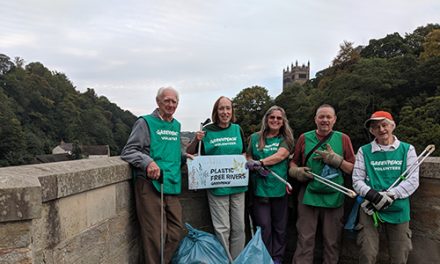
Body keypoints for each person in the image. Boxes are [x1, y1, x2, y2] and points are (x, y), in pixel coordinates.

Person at [121, 87, 187, 264]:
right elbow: (129, 151)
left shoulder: (176, 125)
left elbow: (172, 153)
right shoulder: (145, 122)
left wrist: (185, 156)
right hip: (149, 184)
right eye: (167, 100)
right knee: (154, 236)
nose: (171, 104)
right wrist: (147, 162)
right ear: (158, 102)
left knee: (175, 231)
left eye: (174, 101)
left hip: (171, 182)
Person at [288, 104, 355, 264]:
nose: (325, 120)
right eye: (321, 117)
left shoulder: (343, 138)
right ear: (315, 119)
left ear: (334, 120)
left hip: (334, 195)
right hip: (309, 194)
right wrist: (297, 172)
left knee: (332, 241)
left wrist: (337, 161)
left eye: (328, 117)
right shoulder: (305, 138)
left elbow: (352, 168)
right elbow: (293, 163)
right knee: (305, 239)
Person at [352, 111, 419, 264]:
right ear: (372, 131)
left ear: (392, 126)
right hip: (370, 207)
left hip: (398, 208)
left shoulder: (407, 149)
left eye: (384, 125)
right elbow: (357, 180)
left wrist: (392, 194)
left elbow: (413, 180)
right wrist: (373, 195)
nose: (381, 129)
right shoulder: (364, 151)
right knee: (366, 252)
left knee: (400, 253)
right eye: (376, 127)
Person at [186, 96, 247, 259]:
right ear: (216, 111)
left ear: (232, 111)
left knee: (239, 227)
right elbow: (190, 153)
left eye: (228, 108)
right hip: (216, 186)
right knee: (222, 228)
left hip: (237, 185)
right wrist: (195, 139)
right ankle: (224, 260)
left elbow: (244, 154)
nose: (225, 112)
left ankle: (237, 260)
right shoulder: (207, 130)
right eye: (221, 108)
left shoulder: (238, 129)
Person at [246, 105, 294, 264]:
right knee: (264, 227)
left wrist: (260, 162)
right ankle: (265, 259)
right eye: (272, 117)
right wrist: (251, 163)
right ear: (266, 119)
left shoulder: (285, 139)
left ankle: (278, 258)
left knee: (280, 228)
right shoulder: (254, 138)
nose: (275, 120)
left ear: (283, 122)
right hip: (260, 190)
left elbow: (280, 156)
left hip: (279, 189)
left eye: (279, 118)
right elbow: (248, 156)